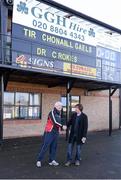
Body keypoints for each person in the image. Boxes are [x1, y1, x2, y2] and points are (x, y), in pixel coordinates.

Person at [36, 101, 65, 167]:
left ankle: (52, 160)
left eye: (61, 106)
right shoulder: (52, 112)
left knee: (54, 146)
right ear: (55, 106)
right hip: (49, 132)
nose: (60, 107)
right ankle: (39, 160)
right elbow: (55, 122)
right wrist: (62, 126)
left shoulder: (59, 113)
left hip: (56, 132)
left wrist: (62, 126)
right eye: (58, 106)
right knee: (45, 146)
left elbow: (61, 120)